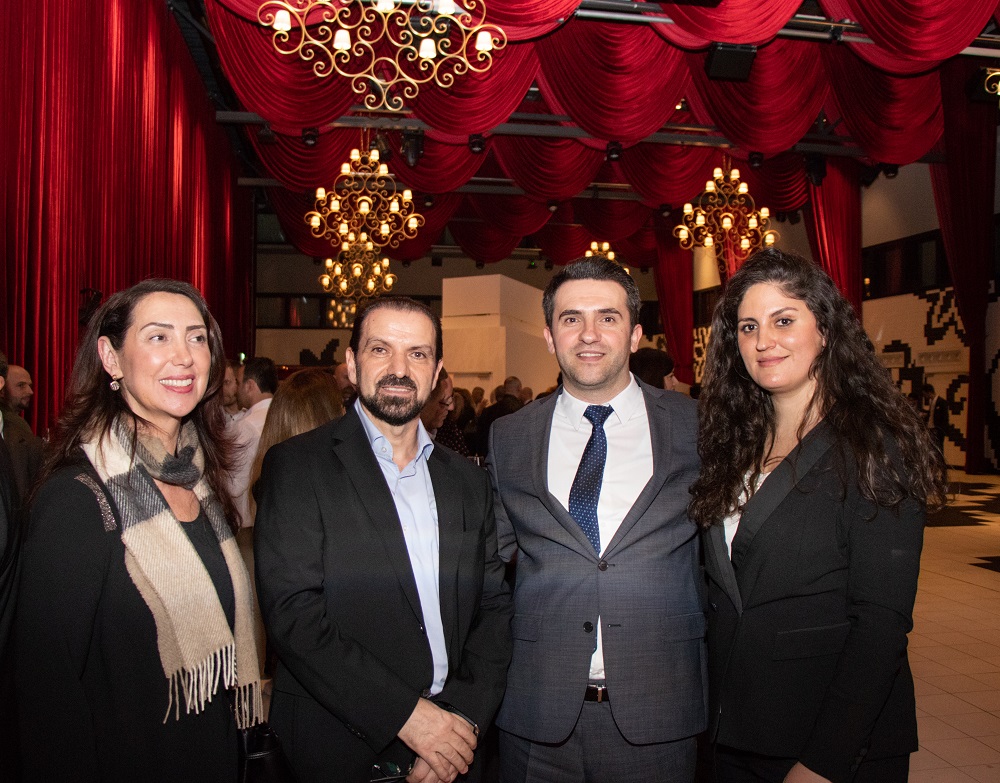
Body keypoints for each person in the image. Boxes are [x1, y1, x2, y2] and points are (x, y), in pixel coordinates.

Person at [689, 249, 947, 783]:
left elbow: (881, 623)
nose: (764, 341)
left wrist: (824, 761)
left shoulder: (873, 445)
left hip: (829, 742)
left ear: (825, 331)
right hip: (734, 729)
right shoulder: (732, 443)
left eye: (784, 321)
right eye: (748, 327)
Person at [254, 296, 513, 783]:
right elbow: (294, 615)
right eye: (380, 350)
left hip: (456, 749)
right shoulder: (298, 466)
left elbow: (494, 608)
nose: (399, 369)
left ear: (437, 372)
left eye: (417, 354)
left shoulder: (467, 481)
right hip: (341, 750)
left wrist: (460, 720)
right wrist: (410, 719)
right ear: (352, 364)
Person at [16, 279, 261, 782]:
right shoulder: (77, 499)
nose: (184, 356)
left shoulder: (200, 483)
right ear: (111, 358)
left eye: (196, 338)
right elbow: (44, 696)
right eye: (158, 337)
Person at [488, 257, 705, 782]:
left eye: (607, 317)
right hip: (535, 714)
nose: (589, 334)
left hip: (660, 712)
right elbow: (489, 568)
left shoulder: (696, 427)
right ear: (549, 336)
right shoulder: (511, 436)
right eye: (571, 319)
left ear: (634, 335)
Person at [227, 356, 276, 529]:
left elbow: (233, 485)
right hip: (276, 519)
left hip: (250, 524)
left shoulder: (247, 426)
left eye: (238, 383)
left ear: (249, 386)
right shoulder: (285, 414)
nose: (236, 390)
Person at [922, 383, 947, 456]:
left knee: (938, 449)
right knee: (931, 448)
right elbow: (931, 414)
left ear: (929, 392)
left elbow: (944, 418)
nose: (924, 396)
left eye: (925, 394)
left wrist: (941, 431)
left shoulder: (941, 402)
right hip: (930, 428)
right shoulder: (931, 402)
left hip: (937, 430)